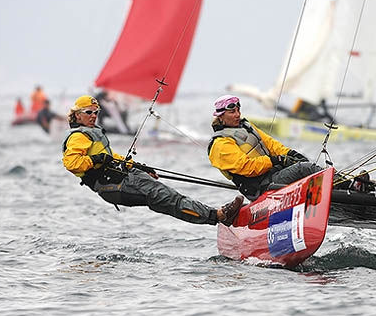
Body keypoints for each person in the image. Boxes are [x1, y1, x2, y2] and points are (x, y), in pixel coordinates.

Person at [62, 95, 243, 226]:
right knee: (166, 197)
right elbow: (71, 163)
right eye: (89, 112)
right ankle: (218, 215)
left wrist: (138, 166)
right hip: (111, 185)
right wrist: (96, 159)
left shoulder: (93, 132)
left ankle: (217, 214)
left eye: (96, 112)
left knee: (167, 196)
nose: (94, 115)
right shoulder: (78, 136)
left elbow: (109, 156)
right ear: (77, 115)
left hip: (122, 176)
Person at [208, 95, 324, 200]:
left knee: (304, 164)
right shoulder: (220, 144)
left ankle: (334, 186)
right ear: (221, 116)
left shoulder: (246, 126)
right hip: (261, 188)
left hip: (273, 175)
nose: (238, 114)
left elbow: (271, 144)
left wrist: (291, 153)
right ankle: (337, 183)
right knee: (303, 169)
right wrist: (275, 160)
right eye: (232, 112)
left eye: (238, 110)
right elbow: (247, 167)